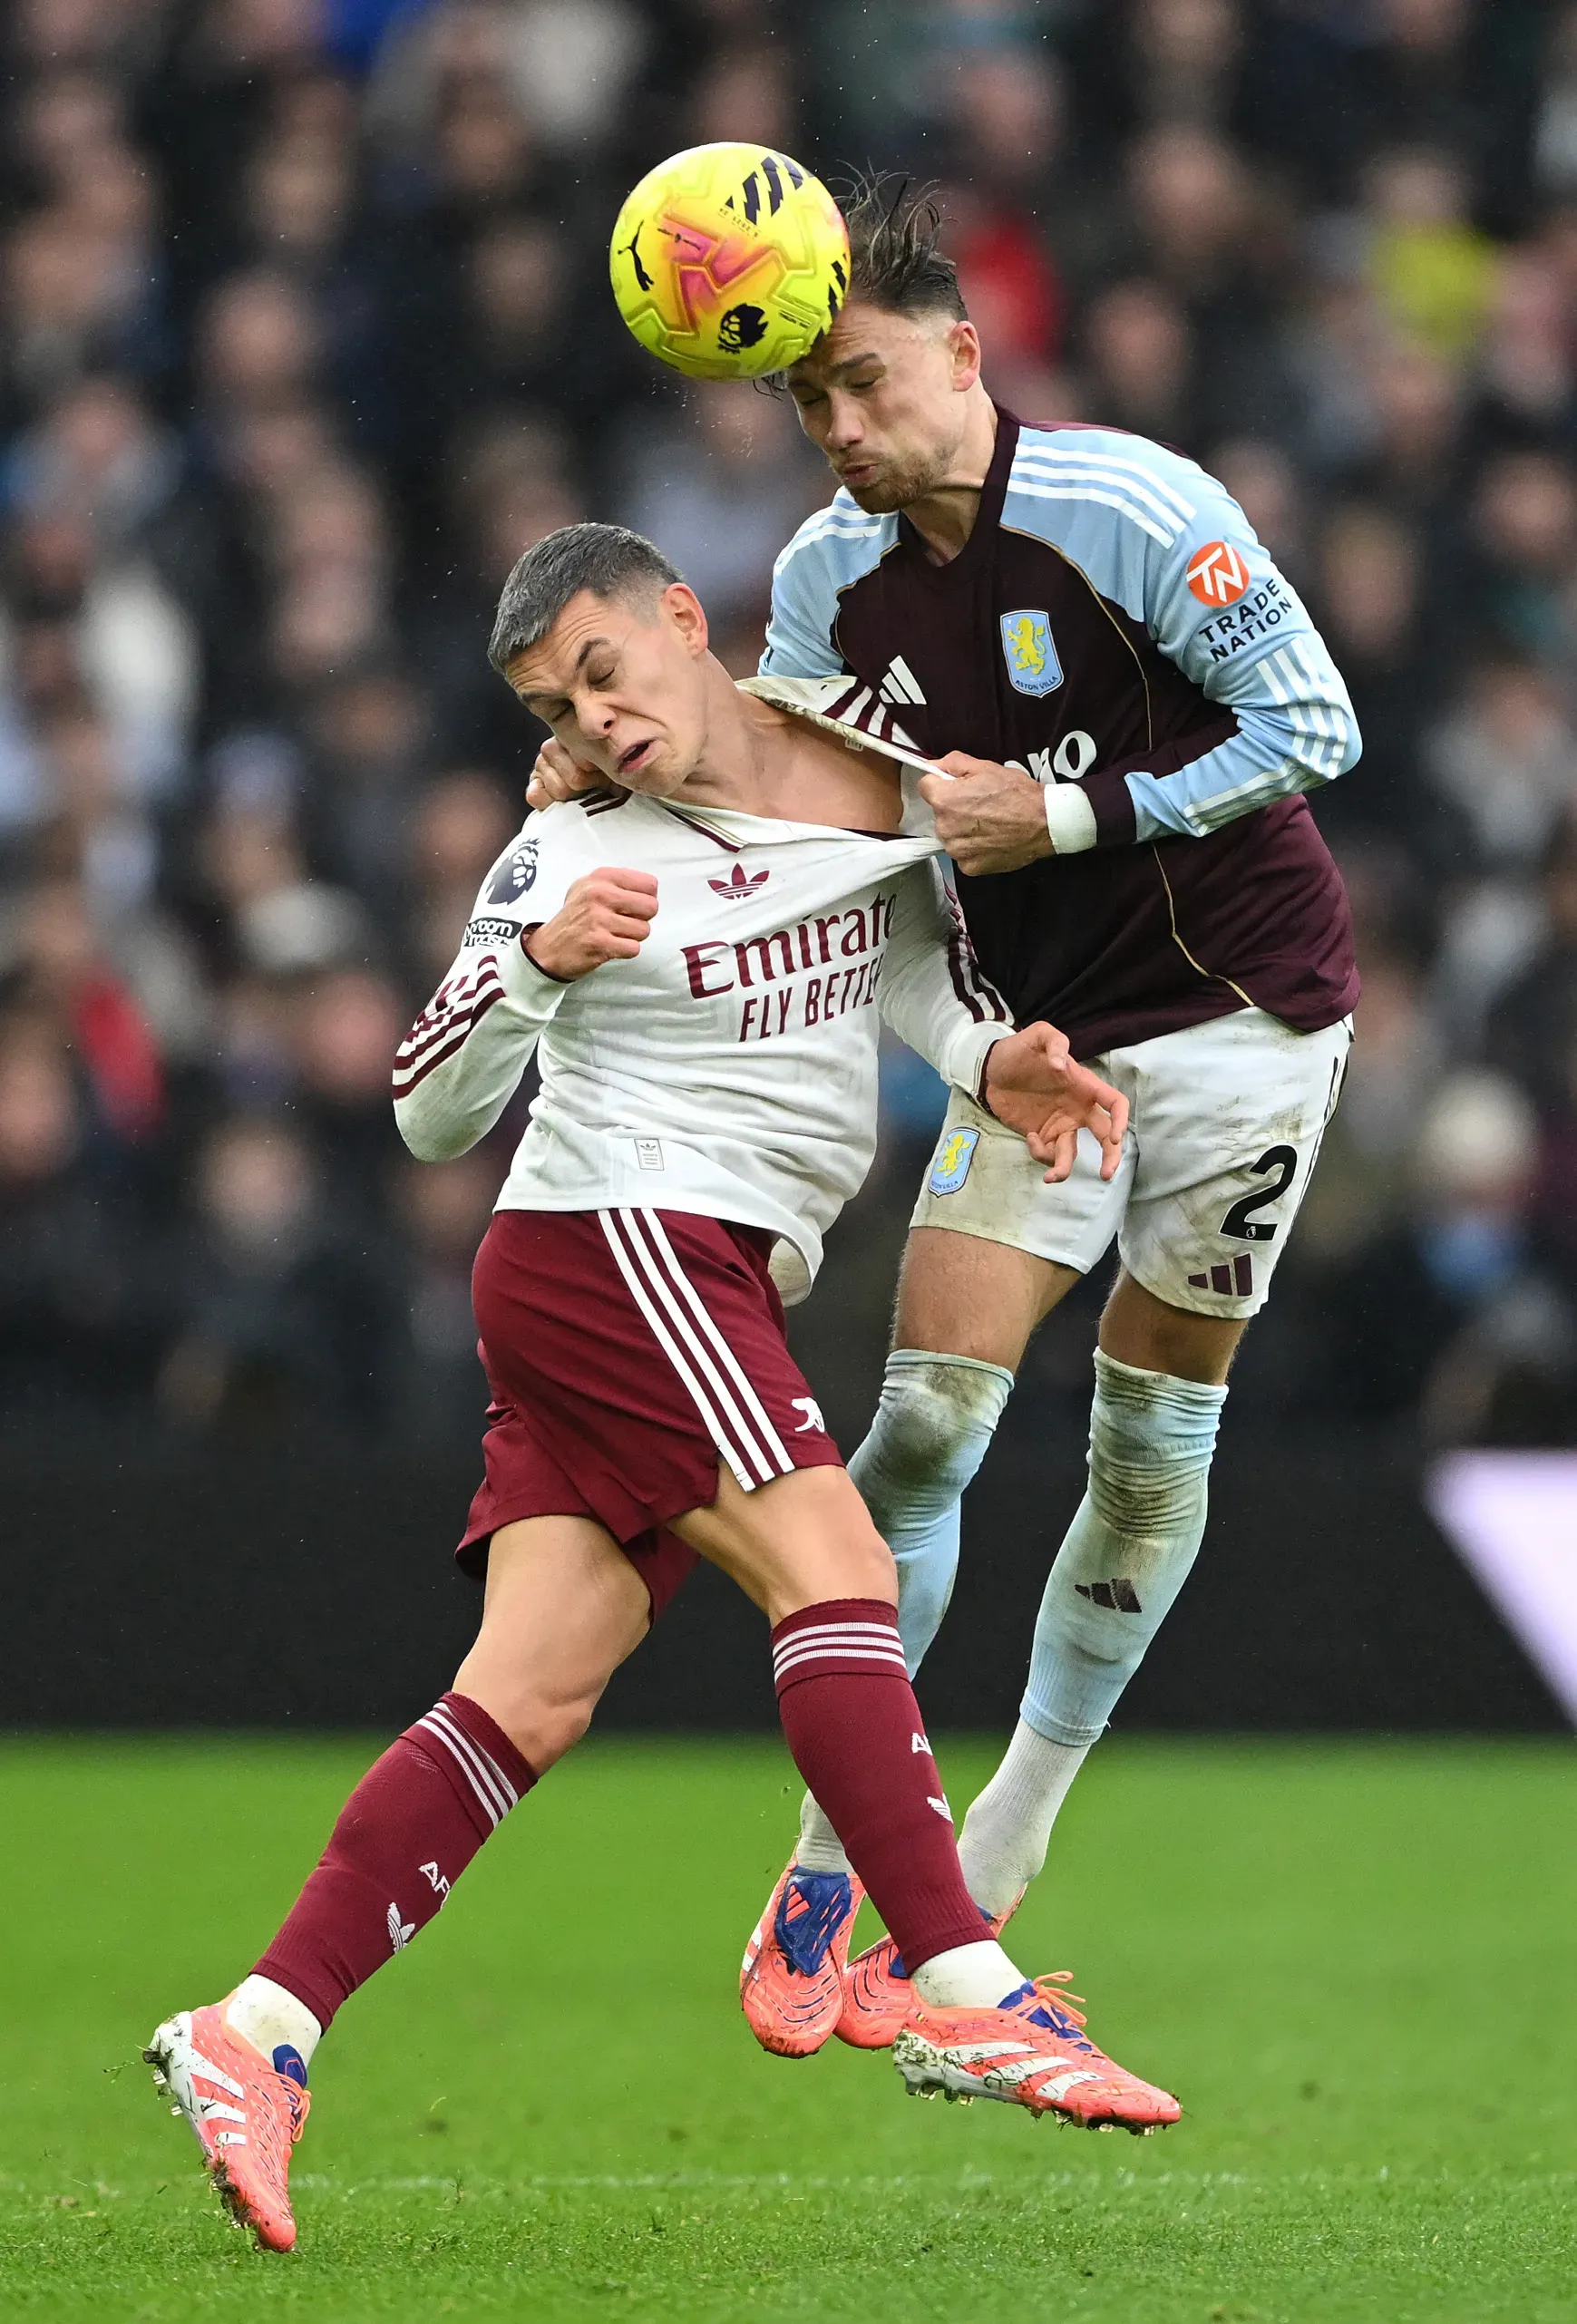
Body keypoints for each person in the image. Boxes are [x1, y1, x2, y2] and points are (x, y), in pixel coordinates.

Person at [143, 524, 1174, 2259]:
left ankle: (255, 2029)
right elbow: (420, 1107)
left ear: (684, 622)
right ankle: (957, 1974)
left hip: (678, 1271)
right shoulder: (562, 845)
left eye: (607, 673)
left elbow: (905, 954)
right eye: (560, 702)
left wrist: (990, 1056)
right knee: (836, 1568)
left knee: (526, 1695)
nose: (598, 720)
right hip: (620, 1246)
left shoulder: (868, 761)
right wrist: (537, 961)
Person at [530, 180, 1362, 2055]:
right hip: (1035, 1039)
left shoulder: (1134, 509)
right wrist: (602, 771)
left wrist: (1063, 820)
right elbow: (777, 787)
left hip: (1242, 1021)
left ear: (962, 356)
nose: (838, 429)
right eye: (807, 402)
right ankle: (845, 1861)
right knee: (917, 1428)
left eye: (867, 384)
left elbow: (1311, 724)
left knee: (1145, 1452)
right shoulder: (829, 581)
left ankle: (1006, 1840)